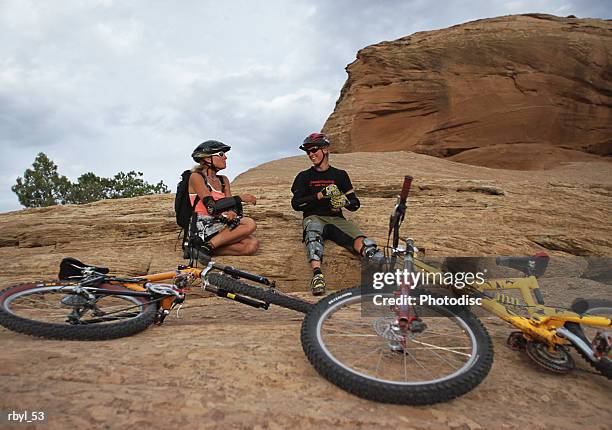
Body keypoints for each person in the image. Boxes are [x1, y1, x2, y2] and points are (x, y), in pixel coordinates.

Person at [291, 132, 383, 295]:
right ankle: (317, 275)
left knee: (364, 242)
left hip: (336, 218)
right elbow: (296, 204)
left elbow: (355, 204)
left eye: (314, 150)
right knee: (313, 232)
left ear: (325, 149)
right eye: (308, 152)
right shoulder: (304, 176)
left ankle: (380, 268)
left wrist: (344, 202)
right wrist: (320, 195)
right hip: (314, 217)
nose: (311, 154)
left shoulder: (340, 175)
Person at [186, 140, 259, 263]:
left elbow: (230, 204)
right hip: (202, 226)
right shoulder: (196, 177)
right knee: (249, 223)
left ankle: (199, 249)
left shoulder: (223, 180)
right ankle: (206, 247)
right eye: (221, 154)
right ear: (208, 159)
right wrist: (240, 198)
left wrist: (232, 212)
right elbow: (211, 208)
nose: (225, 157)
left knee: (251, 245)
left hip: (219, 223)